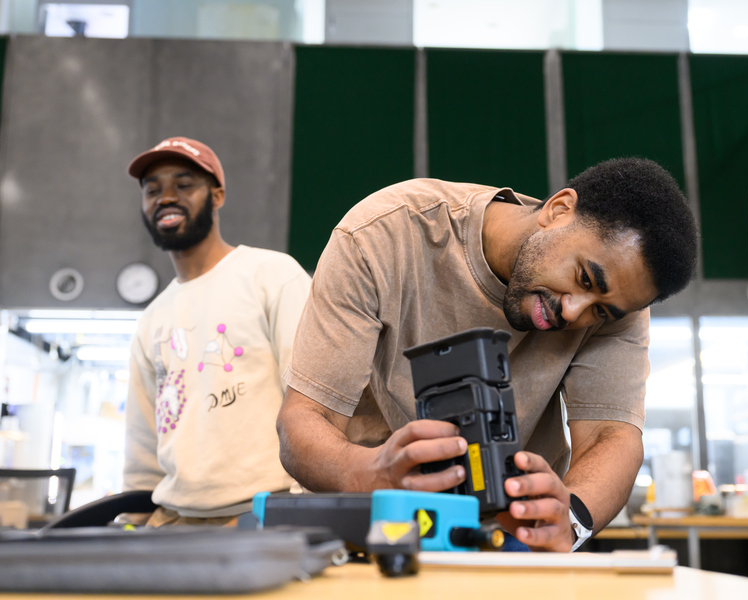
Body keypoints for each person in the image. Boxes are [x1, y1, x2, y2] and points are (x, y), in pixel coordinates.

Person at [277, 158, 698, 551]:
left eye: (600, 311)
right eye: (584, 278)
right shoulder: (382, 234)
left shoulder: (620, 302)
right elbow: (304, 420)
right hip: (380, 516)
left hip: (511, 535)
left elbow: (612, 437)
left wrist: (567, 521)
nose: (573, 312)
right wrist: (368, 474)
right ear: (558, 210)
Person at [123, 137, 312, 526]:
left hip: (262, 517)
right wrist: (131, 525)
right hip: (173, 523)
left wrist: (304, 509)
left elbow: (315, 403)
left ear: (218, 195)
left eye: (184, 184)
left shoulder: (272, 276)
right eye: (152, 190)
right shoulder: (153, 317)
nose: (166, 198)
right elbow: (142, 447)